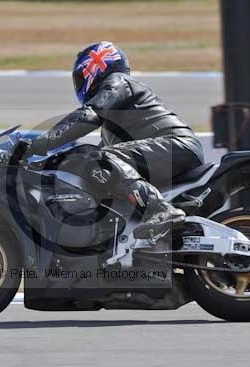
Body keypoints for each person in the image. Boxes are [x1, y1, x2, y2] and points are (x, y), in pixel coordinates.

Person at [28, 41, 204, 240]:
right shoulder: (112, 126)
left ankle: (160, 210)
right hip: (166, 150)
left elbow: (89, 116)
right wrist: (37, 166)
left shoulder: (117, 82)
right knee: (95, 165)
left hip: (175, 145)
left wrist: (42, 142)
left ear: (96, 66)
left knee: (98, 158)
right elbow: (92, 160)